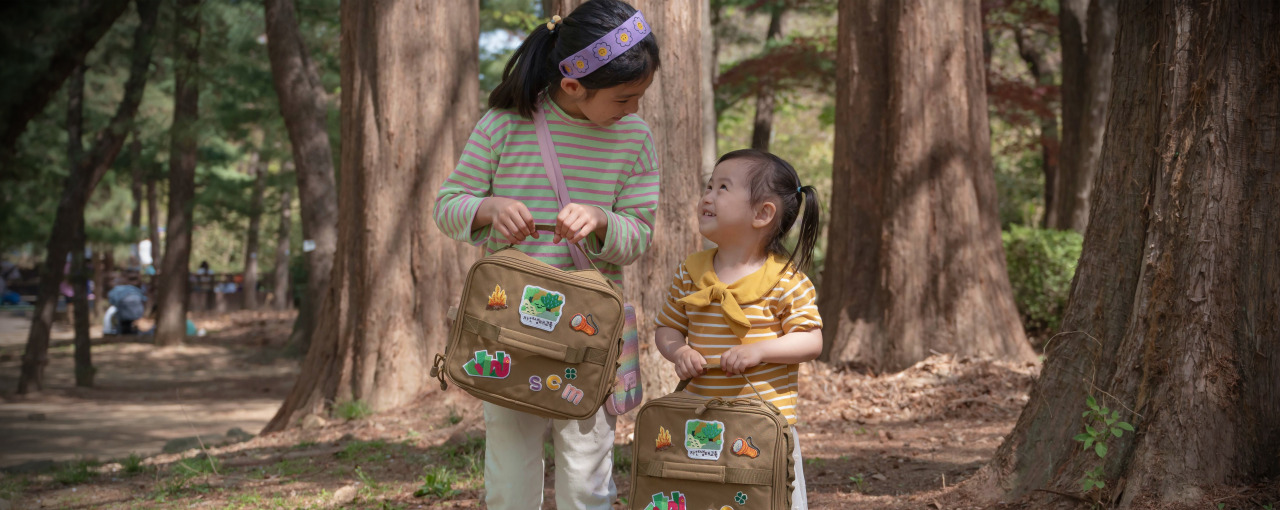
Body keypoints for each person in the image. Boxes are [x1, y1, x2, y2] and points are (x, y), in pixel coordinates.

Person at [434, 1, 660, 507]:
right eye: (626, 97)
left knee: (586, 478)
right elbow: (447, 207)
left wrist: (602, 221)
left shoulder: (636, 140)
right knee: (510, 477)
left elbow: (640, 235)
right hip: (506, 329)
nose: (636, 108)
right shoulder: (502, 126)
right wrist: (488, 209)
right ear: (575, 85)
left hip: (588, 340)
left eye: (641, 95)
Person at [654, 149, 824, 510]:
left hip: (762, 426)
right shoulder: (691, 271)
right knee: (704, 496)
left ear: (763, 213)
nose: (708, 196)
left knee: (766, 498)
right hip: (700, 421)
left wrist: (760, 350)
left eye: (723, 187)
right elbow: (668, 327)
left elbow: (811, 339)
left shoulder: (785, 280)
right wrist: (679, 351)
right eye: (709, 185)